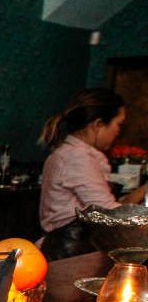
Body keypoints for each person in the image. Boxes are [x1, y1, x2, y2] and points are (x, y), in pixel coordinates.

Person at [38, 88, 146, 260]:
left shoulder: (73, 153)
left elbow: (111, 206)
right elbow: (108, 213)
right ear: (98, 125)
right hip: (70, 251)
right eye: (118, 124)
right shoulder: (76, 157)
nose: (118, 132)